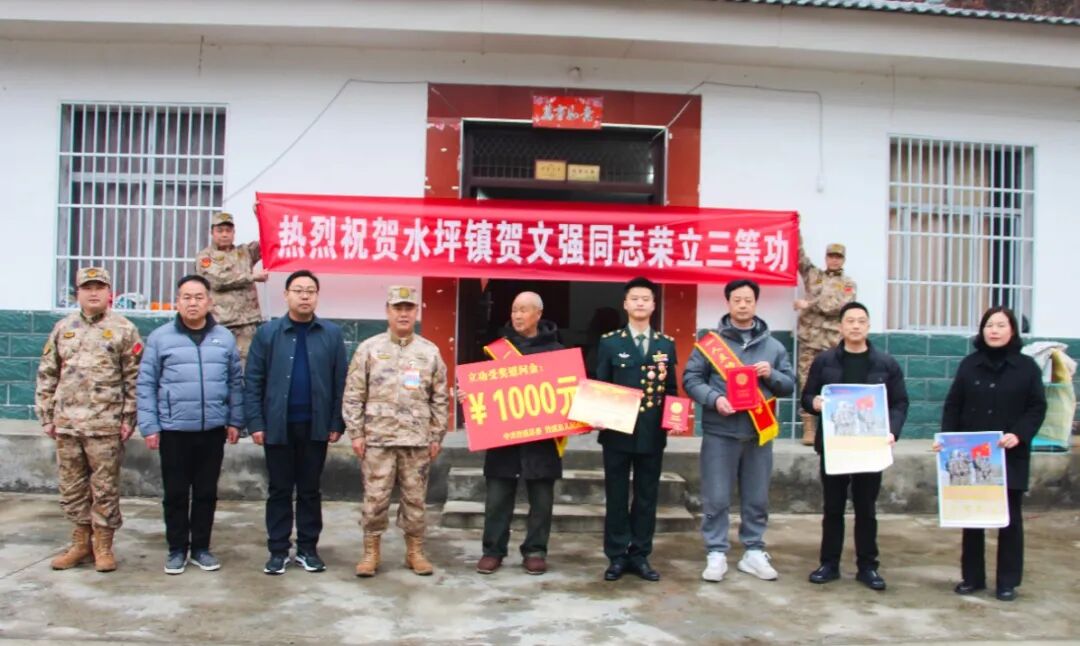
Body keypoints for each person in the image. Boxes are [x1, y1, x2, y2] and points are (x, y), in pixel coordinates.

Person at [683, 279, 795, 583]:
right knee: (716, 496)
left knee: (757, 496)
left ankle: (754, 550)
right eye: (737, 300)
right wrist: (714, 399)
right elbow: (691, 380)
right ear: (728, 303)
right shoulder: (710, 344)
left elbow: (788, 385)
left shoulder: (773, 346)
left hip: (759, 432)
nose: (743, 305)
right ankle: (716, 551)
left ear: (755, 303)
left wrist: (771, 374)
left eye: (748, 300)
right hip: (720, 431)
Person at [34, 267, 143, 572]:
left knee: (105, 487)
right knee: (72, 486)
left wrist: (128, 418)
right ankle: (80, 543)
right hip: (67, 423)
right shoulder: (63, 328)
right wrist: (46, 415)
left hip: (105, 424)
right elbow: (47, 373)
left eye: (99, 287)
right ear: (78, 293)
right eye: (87, 288)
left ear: (110, 292)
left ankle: (103, 545)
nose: (93, 293)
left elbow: (133, 378)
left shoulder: (124, 329)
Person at [136, 275, 244, 575]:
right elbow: (146, 384)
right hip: (174, 429)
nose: (193, 303)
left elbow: (235, 382)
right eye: (187, 297)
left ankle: (201, 548)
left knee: (206, 492)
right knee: (175, 493)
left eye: (199, 297)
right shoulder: (160, 338)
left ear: (209, 301)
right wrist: (149, 425)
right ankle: (176, 549)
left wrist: (235, 420)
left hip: (212, 429)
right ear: (177, 302)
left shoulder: (224, 337)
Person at [938, 306, 1046, 602]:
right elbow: (953, 405)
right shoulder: (969, 365)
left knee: (1009, 519)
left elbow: (1037, 407)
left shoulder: (1026, 367)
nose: (994, 331)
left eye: (1001, 325)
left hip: (1008, 454)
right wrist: (947, 440)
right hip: (971, 454)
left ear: (1012, 330)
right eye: (989, 325)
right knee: (973, 516)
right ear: (982, 330)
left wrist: (1019, 434)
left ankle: (1007, 582)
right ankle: (972, 577)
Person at [244, 269, 347, 575]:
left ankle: (307, 549)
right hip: (278, 426)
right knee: (279, 489)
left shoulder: (331, 334)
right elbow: (253, 381)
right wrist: (256, 423)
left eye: (310, 291)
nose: (304, 296)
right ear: (286, 295)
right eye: (298, 290)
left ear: (317, 296)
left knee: (310, 490)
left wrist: (336, 422)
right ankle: (278, 551)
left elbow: (340, 382)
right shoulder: (268, 334)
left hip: (315, 426)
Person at [800, 302, 908, 591]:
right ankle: (829, 564)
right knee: (833, 507)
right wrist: (814, 403)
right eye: (850, 321)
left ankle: (868, 567)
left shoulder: (886, 364)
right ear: (841, 326)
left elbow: (899, 403)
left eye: (861, 321)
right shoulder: (825, 361)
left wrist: (892, 431)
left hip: (869, 448)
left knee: (866, 508)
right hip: (835, 447)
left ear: (868, 326)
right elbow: (807, 396)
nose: (856, 326)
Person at [344, 286, 449, 577]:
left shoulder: (429, 352)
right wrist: (356, 433)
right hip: (377, 438)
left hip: (416, 440)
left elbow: (440, 398)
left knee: (415, 499)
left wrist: (436, 435)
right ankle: (371, 552)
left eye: (409, 308)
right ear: (387, 311)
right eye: (397, 308)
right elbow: (353, 394)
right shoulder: (369, 349)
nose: (403, 314)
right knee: (375, 499)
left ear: (416, 312)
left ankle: (415, 551)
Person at [461, 292, 563, 576]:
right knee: (497, 498)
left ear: (538, 314)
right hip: (502, 438)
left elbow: (566, 390)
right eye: (514, 310)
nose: (517, 316)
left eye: (523, 310)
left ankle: (535, 550)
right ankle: (492, 550)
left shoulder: (556, 351)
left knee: (541, 500)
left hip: (541, 439)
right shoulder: (496, 349)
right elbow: (479, 387)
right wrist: (467, 394)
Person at [594, 277, 678, 582]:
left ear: (654, 305)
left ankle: (640, 554)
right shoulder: (610, 342)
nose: (640, 303)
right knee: (616, 495)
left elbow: (671, 389)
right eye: (635, 298)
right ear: (625, 304)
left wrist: (674, 419)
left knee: (646, 496)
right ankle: (617, 556)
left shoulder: (665, 344)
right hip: (617, 432)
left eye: (646, 298)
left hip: (652, 432)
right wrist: (596, 413)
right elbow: (600, 384)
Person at [794, 236, 856, 446]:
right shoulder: (814, 275)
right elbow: (798, 257)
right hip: (809, 338)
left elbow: (837, 306)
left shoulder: (848, 284)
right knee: (806, 381)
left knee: (835, 382)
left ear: (843, 260)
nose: (834, 260)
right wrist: (796, 230)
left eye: (838, 257)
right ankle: (809, 427)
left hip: (833, 342)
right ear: (826, 257)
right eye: (831, 256)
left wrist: (808, 304)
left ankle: (836, 424)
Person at [195, 211, 267, 363]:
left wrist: (260, 215)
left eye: (228, 230)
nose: (224, 234)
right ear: (212, 232)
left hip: (247, 323)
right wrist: (252, 277)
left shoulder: (244, 252)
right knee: (218, 363)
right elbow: (217, 280)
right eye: (220, 230)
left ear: (234, 233)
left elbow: (268, 242)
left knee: (245, 365)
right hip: (220, 323)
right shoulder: (205, 257)